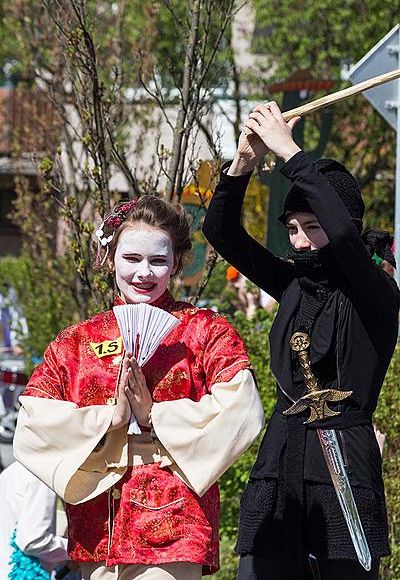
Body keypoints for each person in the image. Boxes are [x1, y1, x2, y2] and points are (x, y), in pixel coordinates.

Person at [13, 196, 265, 580]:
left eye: (158, 261)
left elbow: (243, 409)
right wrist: (107, 421)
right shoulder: (75, 342)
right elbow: (32, 420)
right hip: (98, 522)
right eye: (131, 259)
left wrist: (155, 415)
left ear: (176, 264)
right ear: (111, 258)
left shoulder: (204, 332)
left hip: (175, 517)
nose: (143, 273)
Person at [202, 102, 399, 580]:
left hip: (344, 462)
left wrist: (290, 151)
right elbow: (220, 232)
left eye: (313, 226)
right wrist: (243, 163)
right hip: (282, 456)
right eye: (292, 228)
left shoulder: (377, 292)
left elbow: (347, 242)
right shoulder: (292, 283)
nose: (302, 241)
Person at [0, 460, 71, 579]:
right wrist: (76, 551)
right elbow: (33, 540)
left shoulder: (9, 472)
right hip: (19, 574)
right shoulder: (40, 476)